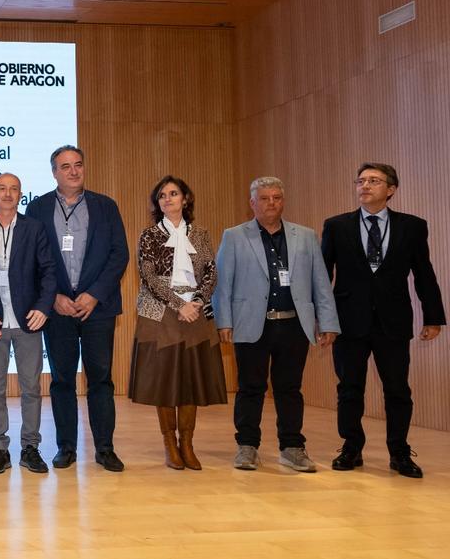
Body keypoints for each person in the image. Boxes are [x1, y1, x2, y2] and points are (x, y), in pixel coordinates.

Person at [321, 163, 444, 478]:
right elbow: (322, 275)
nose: (364, 186)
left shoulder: (412, 226)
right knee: (349, 388)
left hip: (393, 321)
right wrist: (324, 319)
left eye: (373, 181)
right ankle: (351, 449)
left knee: (398, 390)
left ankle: (400, 452)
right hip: (348, 321)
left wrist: (433, 317)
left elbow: (423, 272)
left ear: (390, 189)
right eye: (360, 180)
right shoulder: (337, 226)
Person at [213, 176, 339, 472]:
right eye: (265, 198)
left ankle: (292, 447)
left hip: (294, 325)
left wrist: (328, 321)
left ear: (283, 201)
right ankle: (247, 447)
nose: (271, 203)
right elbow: (223, 284)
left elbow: (320, 281)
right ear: (252, 203)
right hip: (251, 324)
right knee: (250, 387)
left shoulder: (305, 236)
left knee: (290, 389)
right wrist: (224, 322)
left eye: (277, 198)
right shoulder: (234, 236)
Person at [26, 145, 129, 472]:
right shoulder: (38, 207)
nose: (73, 171)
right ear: (54, 172)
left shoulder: (105, 206)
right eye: (65, 166)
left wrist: (95, 294)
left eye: (78, 165)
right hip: (58, 310)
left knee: (101, 379)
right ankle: (66, 447)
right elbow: (31, 259)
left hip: (97, 308)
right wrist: (52, 296)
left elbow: (119, 255)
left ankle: (104, 448)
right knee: (62, 381)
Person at [128, 176, 227, 470]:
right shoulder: (149, 236)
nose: (168, 199)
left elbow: (211, 271)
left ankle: (188, 443)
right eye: (162, 195)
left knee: (191, 381)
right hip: (161, 315)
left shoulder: (202, 234)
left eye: (173, 194)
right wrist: (179, 304)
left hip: (196, 314)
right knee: (165, 382)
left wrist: (196, 301)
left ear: (186, 199)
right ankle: (170, 444)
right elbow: (148, 275)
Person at [0, 173, 56, 475]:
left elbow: (48, 271)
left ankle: (30, 447)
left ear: (21, 194)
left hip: (28, 320)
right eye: (2, 189)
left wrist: (44, 307)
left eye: (13, 189)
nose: (7, 194)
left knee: (31, 387)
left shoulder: (35, 229)